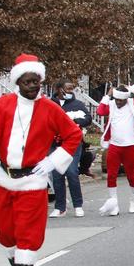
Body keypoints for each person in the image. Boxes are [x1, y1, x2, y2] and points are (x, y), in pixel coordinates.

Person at [0, 54, 83, 266]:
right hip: (4, 179)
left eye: (37, 81)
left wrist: (53, 161)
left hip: (33, 180)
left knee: (27, 235)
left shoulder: (50, 108)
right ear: (18, 81)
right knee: (7, 235)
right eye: (28, 81)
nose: (33, 86)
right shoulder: (4, 105)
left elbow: (73, 135)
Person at [97, 84, 134, 216]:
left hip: (130, 146)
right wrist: (108, 96)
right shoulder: (112, 104)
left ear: (126, 98)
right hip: (114, 146)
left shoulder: (133, 104)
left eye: (121, 100)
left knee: (131, 176)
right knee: (111, 175)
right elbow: (100, 111)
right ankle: (113, 204)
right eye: (116, 99)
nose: (118, 102)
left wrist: (130, 87)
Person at [49, 79, 91, 218]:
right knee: (57, 174)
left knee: (72, 172)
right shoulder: (50, 104)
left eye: (72, 89)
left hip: (73, 143)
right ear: (59, 89)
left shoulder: (77, 104)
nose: (70, 91)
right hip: (55, 143)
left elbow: (88, 118)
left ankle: (78, 205)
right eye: (67, 89)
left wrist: (75, 121)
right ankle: (60, 207)